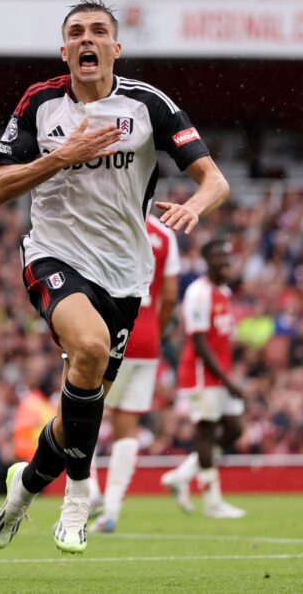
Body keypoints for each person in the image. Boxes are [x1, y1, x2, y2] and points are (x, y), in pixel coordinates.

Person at [0, 0, 229, 555]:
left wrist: (197, 205)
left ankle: (24, 487)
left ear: (116, 48)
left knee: (77, 416)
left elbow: (214, 179)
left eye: (99, 31)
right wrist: (60, 157)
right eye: (76, 33)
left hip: (124, 272)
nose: (87, 39)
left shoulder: (148, 105)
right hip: (52, 254)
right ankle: (77, 500)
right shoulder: (40, 103)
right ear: (65, 50)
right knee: (90, 348)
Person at [89, 213, 180, 533]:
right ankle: (111, 511)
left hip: (113, 329)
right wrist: (156, 328)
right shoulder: (164, 234)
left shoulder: (110, 219)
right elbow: (169, 295)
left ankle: (91, 493)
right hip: (148, 339)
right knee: (127, 427)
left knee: (81, 410)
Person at [159, 239, 245, 519]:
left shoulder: (223, 292)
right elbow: (198, 342)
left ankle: (183, 475)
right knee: (206, 433)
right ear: (207, 261)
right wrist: (227, 379)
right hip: (201, 375)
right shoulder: (198, 292)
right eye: (219, 256)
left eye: (227, 257)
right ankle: (212, 500)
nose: (226, 262)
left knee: (234, 429)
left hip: (220, 375)